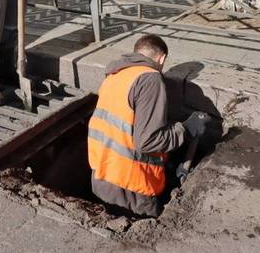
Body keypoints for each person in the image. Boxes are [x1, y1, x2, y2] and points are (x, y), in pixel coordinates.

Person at [87, 34, 211, 217]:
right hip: (131, 184)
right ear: (162, 58)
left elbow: (126, 123)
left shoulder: (115, 75)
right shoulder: (150, 79)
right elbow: (147, 141)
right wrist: (186, 129)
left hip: (101, 175)